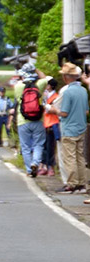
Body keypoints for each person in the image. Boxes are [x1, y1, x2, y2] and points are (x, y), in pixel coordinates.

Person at [50, 63, 88, 194]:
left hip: (69, 128)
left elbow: (64, 112)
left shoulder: (67, 92)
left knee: (69, 157)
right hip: (81, 127)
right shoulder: (83, 91)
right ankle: (82, 184)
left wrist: (54, 110)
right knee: (80, 157)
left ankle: (72, 184)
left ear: (67, 77)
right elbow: (86, 111)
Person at [14, 62, 51, 177]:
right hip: (38, 119)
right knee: (38, 144)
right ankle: (35, 163)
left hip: (22, 120)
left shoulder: (18, 86)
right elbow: (45, 78)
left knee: (25, 147)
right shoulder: (39, 85)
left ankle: (29, 170)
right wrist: (36, 69)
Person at [39, 79, 59, 176]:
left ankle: (50, 167)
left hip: (53, 123)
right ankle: (44, 166)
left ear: (50, 86)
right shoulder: (46, 95)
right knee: (44, 146)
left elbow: (53, 110)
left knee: (50, 146)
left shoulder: (56, 97)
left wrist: (46, 105)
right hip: (45, 123)